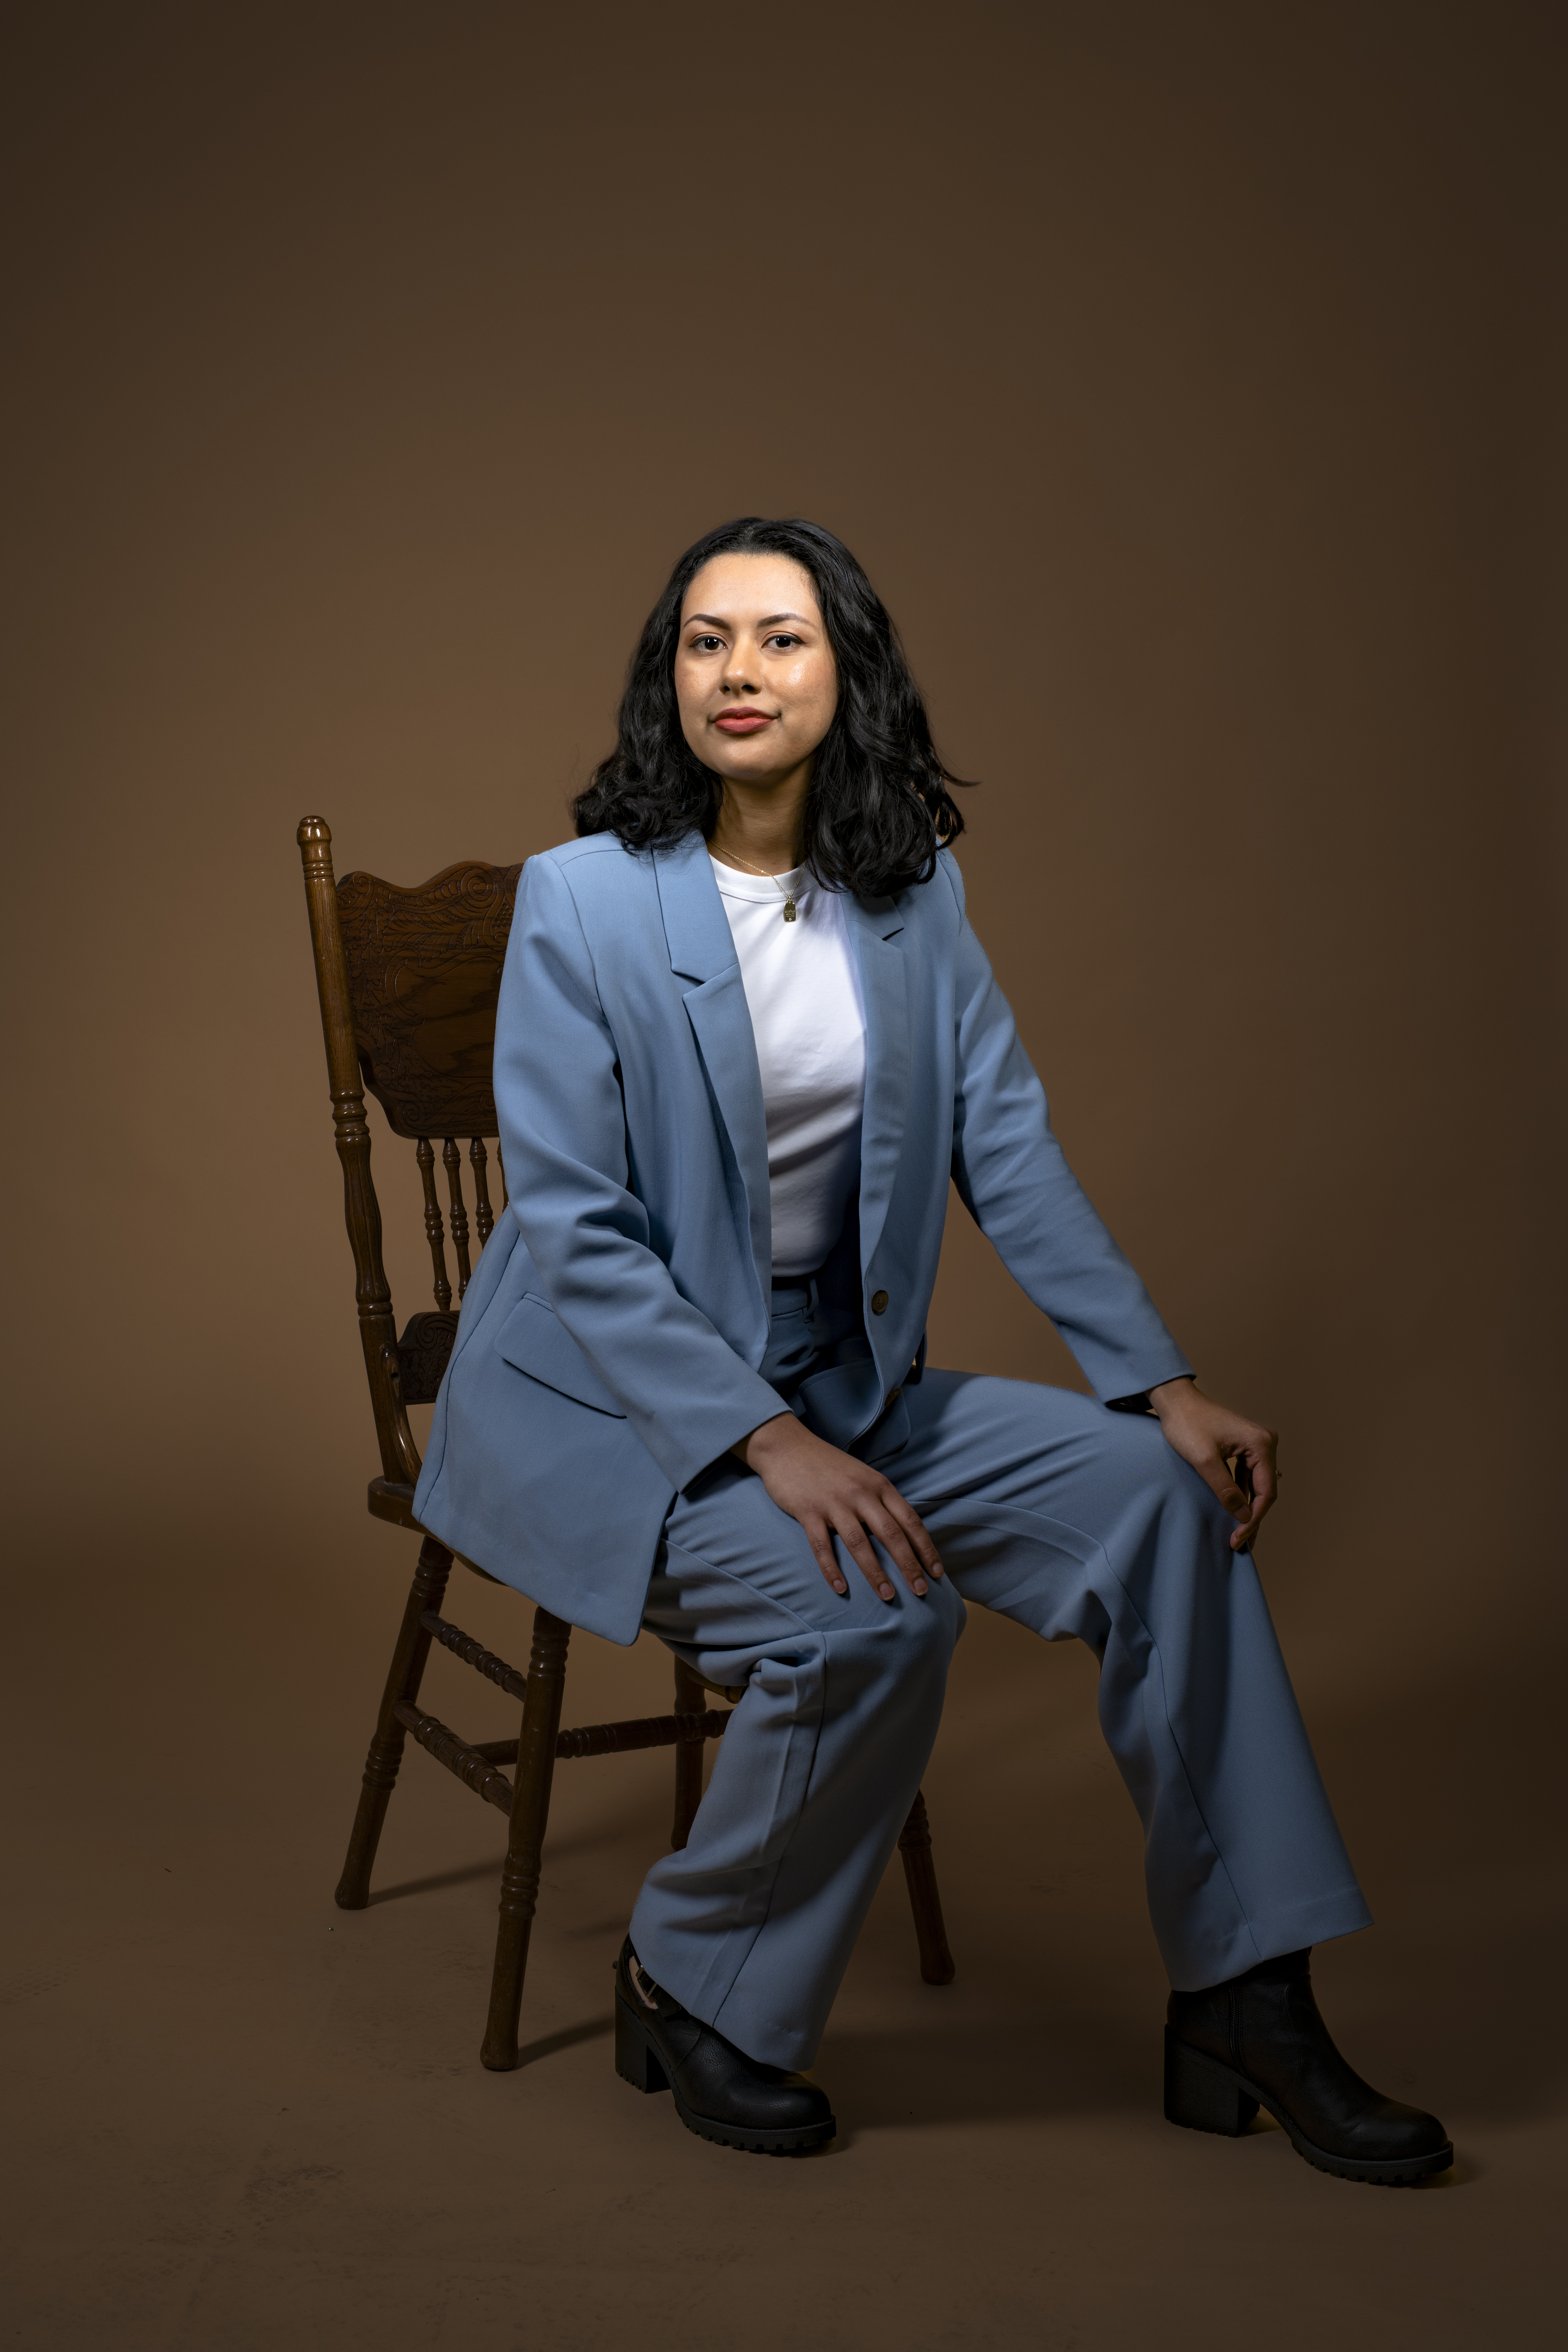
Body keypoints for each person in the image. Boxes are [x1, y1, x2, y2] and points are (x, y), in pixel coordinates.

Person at [413, 517, 1451, 2184]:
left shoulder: (916, 897)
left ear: (851, 674)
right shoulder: (583, 906)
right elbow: (576, 1231)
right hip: (624, 1413)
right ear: (664, 675)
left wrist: (1158, 1386)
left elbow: (1011, 1152)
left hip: (846, 1385)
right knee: (872, 1613)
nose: (736, 673)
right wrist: (763, 1442)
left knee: (1161, 1509)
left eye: (779, 639)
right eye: (704, 641)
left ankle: (1251, 2000)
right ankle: (691, 1986)